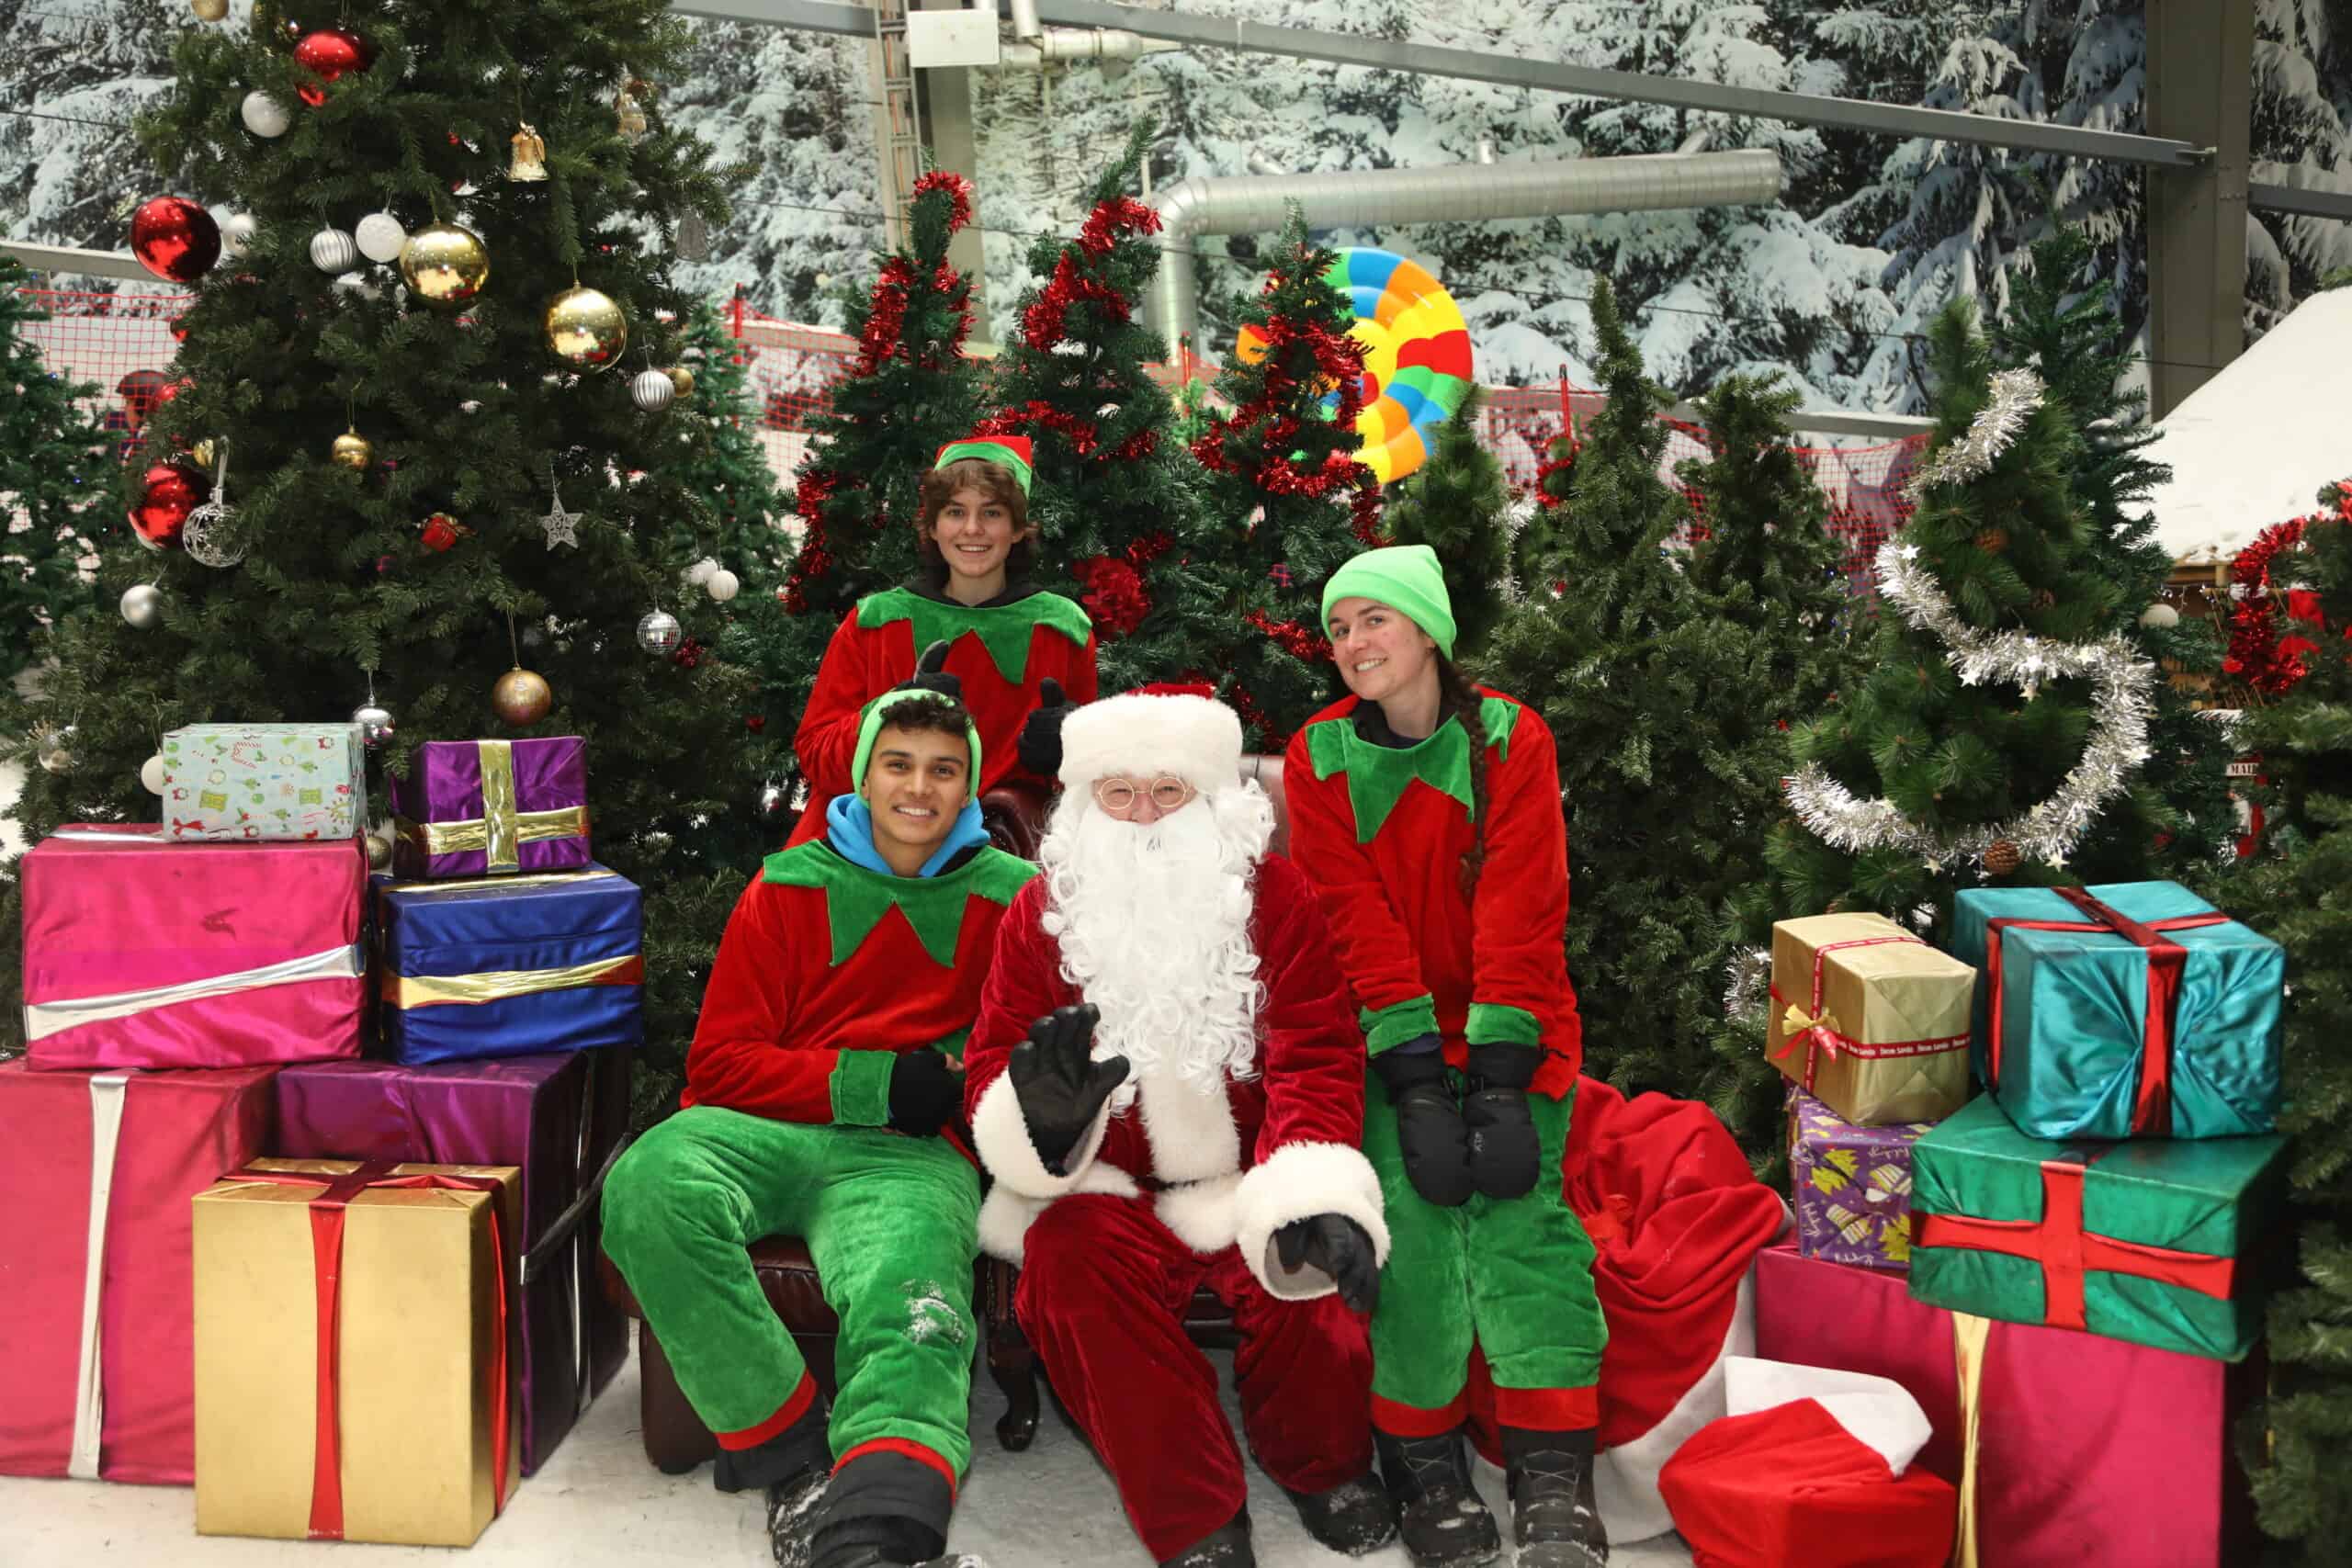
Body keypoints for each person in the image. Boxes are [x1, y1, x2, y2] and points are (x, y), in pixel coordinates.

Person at [602, 678, 1033, 1568]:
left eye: (944, 770)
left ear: (969, 785)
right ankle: (793, 1456)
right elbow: (719, 1063)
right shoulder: (788, 885)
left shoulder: (1014, 897)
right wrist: (875, 1082)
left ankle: (879, 1514)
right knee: (647, 1182)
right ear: (865, 778)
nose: (919, 789)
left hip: (909, 1157)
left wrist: (960, 1094)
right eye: (899, 764)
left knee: (910, 1289)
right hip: (761, 1125)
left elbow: (1020, 1059)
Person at [962, 688, 1396, 1568]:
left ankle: (1322, 1467)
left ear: (1213, 798)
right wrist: (1039, 1123)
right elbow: (993, 1058)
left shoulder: (1274, 895)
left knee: (1313, 1272)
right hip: (1105, 1186)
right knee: (1068, 1274)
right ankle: (1195, 1511)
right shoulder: (1039, 915)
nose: (1145, 815)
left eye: (1169, 791)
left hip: (1248, 1172)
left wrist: (1306, 1182)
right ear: (1085, 805)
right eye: (1118, 794)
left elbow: (1317, 1047)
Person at [1283, 544, 1610, 1568]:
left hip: (1515, 1027)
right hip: (1391, 1040)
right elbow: (1349, 914)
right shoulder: (1319, 754)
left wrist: (1501, 1075)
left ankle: (1551, 1473)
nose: (1352, 644)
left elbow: (1523, 900)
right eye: (1338, 629)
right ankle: (1422, 1468)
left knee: (1525, 1231)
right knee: (1412, 1239)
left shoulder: (1511, 735)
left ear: (1427, 630)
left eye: (1373, 620)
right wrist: (1417, 1076)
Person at [786, 434, 1097, 847]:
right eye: (955, 512)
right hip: (875, 847)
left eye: (992, 512)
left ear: (1018, 527)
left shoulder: (1063, 629)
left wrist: (1070, 753)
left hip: (1006, 851)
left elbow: (1095, 787)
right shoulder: (876, 621)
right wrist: (887, 713)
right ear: (932, 526)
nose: (972, 529)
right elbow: (816, 755)